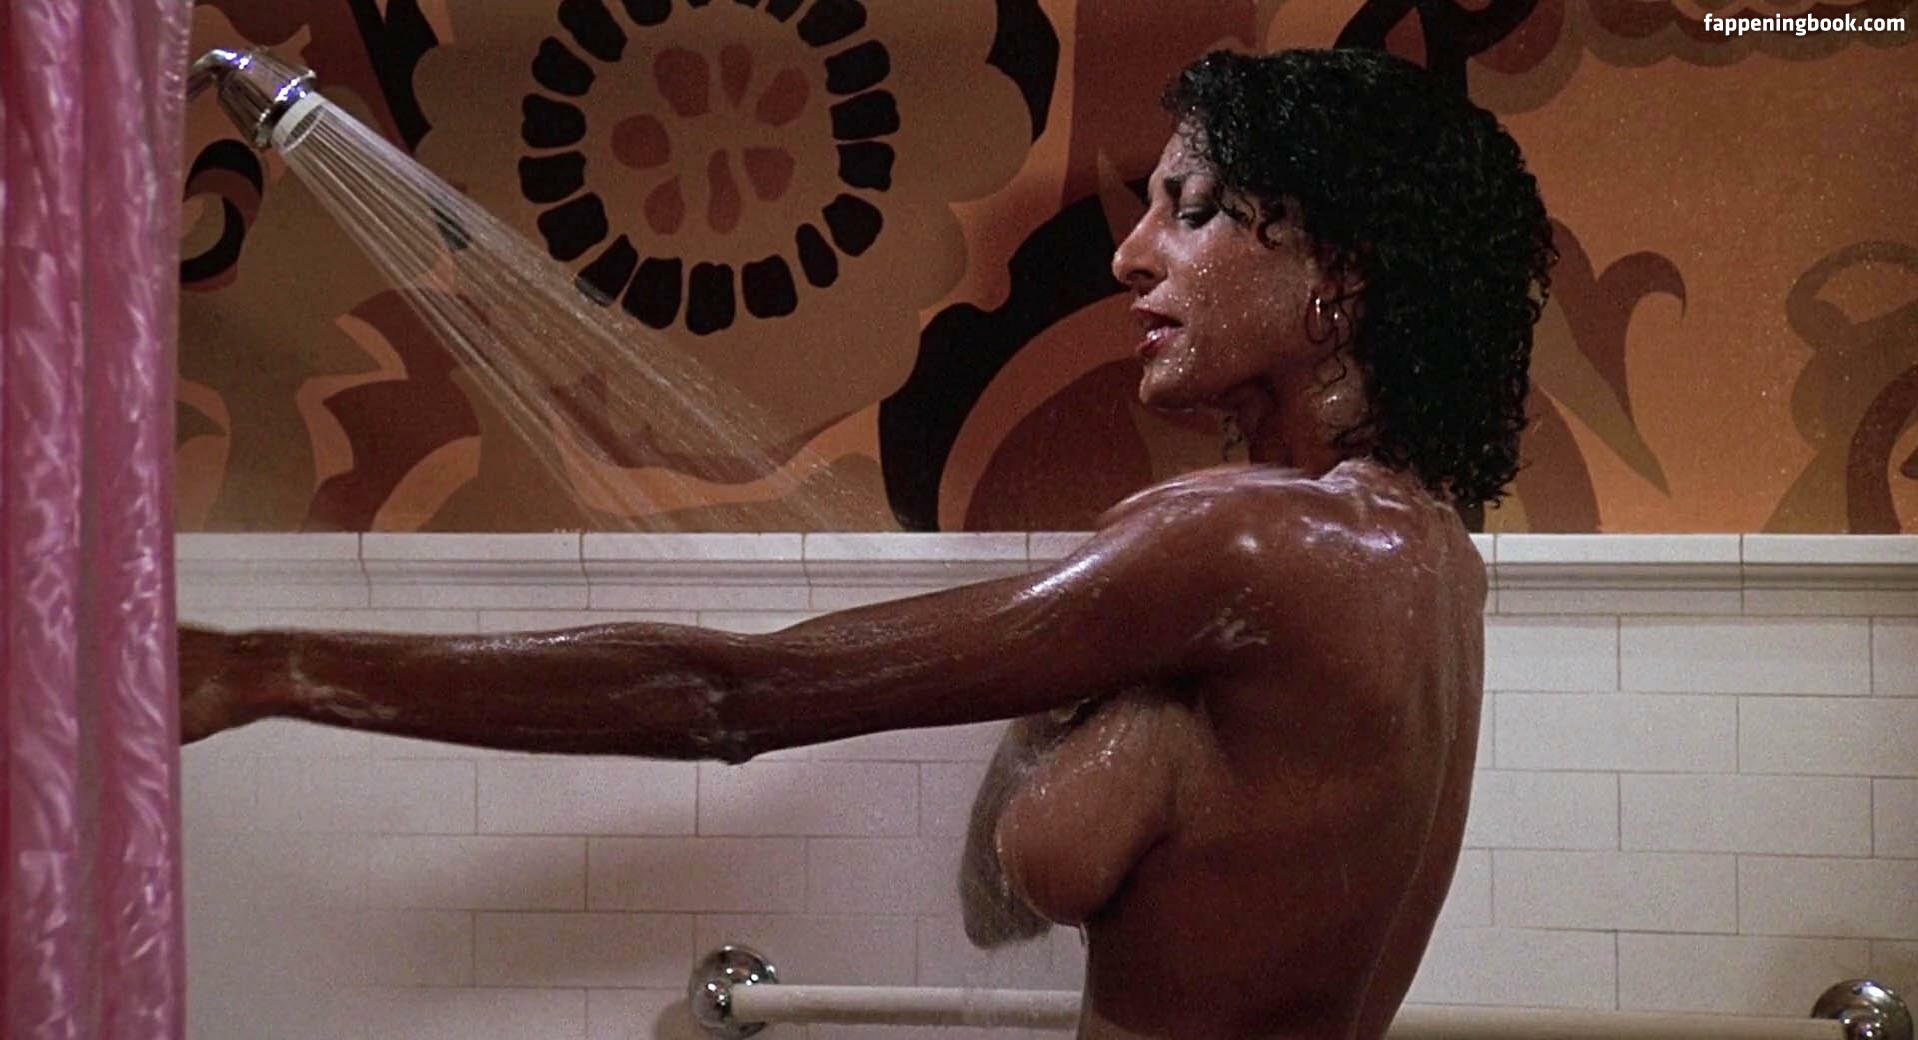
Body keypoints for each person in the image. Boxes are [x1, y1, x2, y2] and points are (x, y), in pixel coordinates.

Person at [180, 47, 1553, 1040]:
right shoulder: (1429, 555)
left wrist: (265, 669)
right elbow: (1066, 886)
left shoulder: (1239, 546)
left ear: (1338, 277)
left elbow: (728, 697)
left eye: (1190, 211)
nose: (1132, 256)